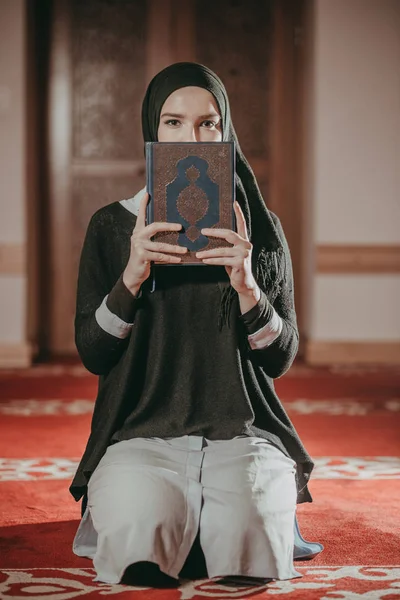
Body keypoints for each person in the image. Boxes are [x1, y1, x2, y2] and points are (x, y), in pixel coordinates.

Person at [70, 62, 317, 587]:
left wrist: (248, 285)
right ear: (151, 131)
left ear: (226, 131)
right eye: (173, 122)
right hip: (140, 431)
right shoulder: (113, 226)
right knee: (141, 532)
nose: (192, 136)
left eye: (208, 123)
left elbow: (281, 357)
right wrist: (132, 277)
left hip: (242, 429)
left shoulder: (261, 231)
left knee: (247, 539)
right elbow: (94, 353)